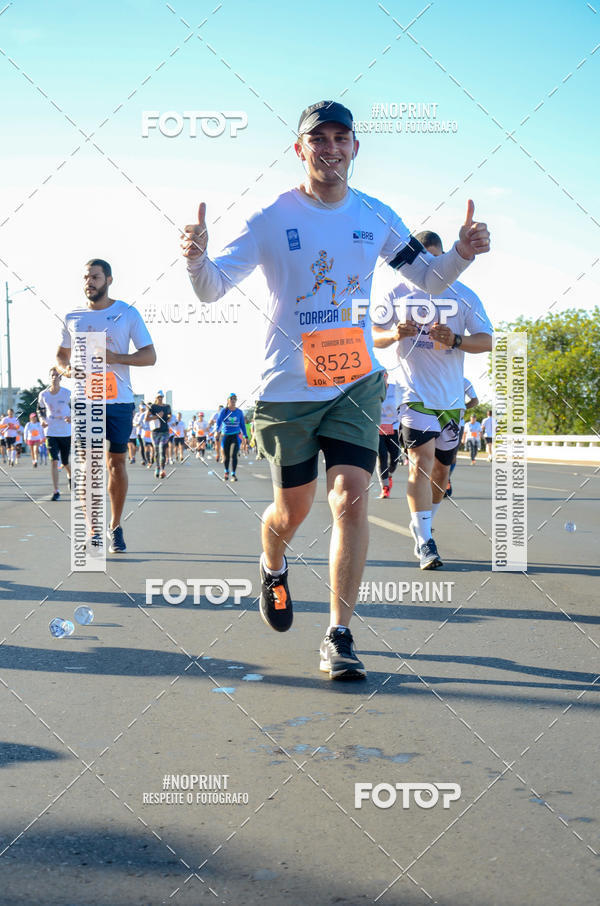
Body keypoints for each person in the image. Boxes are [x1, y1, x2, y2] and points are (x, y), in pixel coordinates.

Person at [182, 99, 490, 679]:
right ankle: (272, 563)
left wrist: (461, 256)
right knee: (291, 512)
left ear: (354, 148)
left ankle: (338, 635)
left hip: (355, 381)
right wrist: (197, 259)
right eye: (316, 138)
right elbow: (211, 289)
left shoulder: (374, 213)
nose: (329, 147)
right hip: (288, 389)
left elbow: (426, 275)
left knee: (349, 499)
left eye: (340, 137)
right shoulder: (271, 217)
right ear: (300, 150)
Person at [373, 229, 492, 569]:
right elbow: (371, 336)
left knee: (441, 471)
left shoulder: (464, 295)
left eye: (436, 261)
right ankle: (424, 541)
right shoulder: (396, 294)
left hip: (451, 400)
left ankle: (425, 522)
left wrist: (455, 339)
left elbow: (487, 340)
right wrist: (394, 333)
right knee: (420, 463)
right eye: (421, 262)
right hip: (415, 397)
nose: (429, 270)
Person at [56, 259, 156, 551]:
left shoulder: (126, 313)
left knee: (116, 464)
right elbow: (60, 357)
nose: (90, 281)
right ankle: (92, 530)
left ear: (109, 280)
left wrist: (117, 358)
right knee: (88, 466)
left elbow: (149, 356)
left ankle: (116, 525)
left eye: (95, 277)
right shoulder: (72, 316)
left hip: (120, 401)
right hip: (86, 400)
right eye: (86, 277)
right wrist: (67, 371)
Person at [37, 369, 72, 499]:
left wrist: (71, 417)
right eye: (52, 375)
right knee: (54, 461)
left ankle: (70, 476)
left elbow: (78, 407)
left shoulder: (67, 393)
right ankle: (56, 491)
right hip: (50, 431)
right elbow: (40, 409)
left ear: (61, 378)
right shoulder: (43, 394)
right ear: (49, 377)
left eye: (57, 375)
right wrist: (42, 420)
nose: (54, 377)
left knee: (65, 462)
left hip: (65, 431)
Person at [445, 376, 478, 498]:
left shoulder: (464, 381)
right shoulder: (437, 377)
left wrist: (461, 407)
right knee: (434, 453)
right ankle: (438, 479)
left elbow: (475, 400)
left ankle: (446, 479)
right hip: (437, 421)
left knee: (452, 454)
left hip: (457, 423)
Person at [376, 374, 401, 499]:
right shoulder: (372, 390)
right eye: (379, 376)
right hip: (377, 428)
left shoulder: (395, 389)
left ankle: (388, 474)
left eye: (384, 375)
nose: (382, 378)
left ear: (387, 376)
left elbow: (403, 405)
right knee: (382, 456)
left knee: (395, 457)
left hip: (394, 427)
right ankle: (385, 487)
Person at [216, 393, 248, 480]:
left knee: (233, 455)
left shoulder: (239, 412)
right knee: (226, 456)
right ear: (228, 401)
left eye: (235, 399)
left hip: (235, 436)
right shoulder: (224, 411)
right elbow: (218, 422)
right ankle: (226, 471)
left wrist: (245, 436)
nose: (233, 401)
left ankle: (233, 474)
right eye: (231, 399)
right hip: (225, 436)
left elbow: (242, 425)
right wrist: (217, 432)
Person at [145, 391, 171, 479]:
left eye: (161, 397)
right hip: (155, 432)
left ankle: (162, 470)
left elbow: (169, 417)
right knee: (156, 451)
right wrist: (157, 417)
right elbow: (146, 419)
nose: (160, 398)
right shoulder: (152, 407)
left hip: (165, 432)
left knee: (161, 450)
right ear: (156, 398)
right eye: (158, 397)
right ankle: (157, 467)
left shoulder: (167, 407)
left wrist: (169, 417)